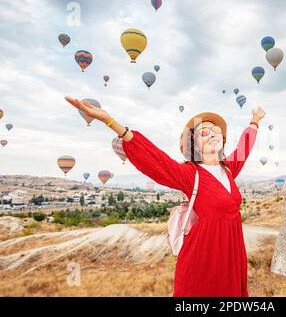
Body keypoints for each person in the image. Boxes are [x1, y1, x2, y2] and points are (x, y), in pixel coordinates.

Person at [64, 96, 265, 296]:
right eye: (204, 132)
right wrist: (110, 121)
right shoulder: (189, 174)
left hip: (231, 250)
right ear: (194, 144)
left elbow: (244, 147)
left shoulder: (229, 169)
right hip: (204, 254)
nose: (213, 134)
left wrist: (255, 121)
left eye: (216, 130)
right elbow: (155, 159)